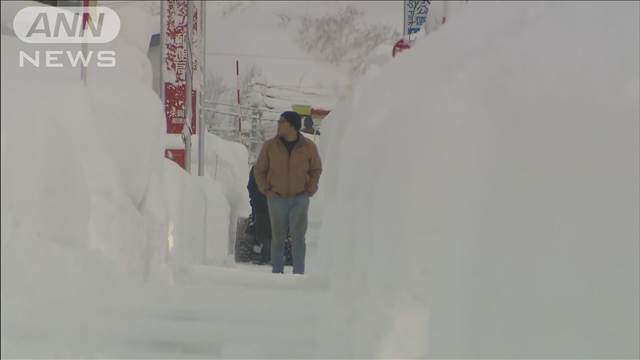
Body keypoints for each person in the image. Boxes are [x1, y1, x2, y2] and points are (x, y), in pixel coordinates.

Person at [254, 111, 322, 274]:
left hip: (300, 198)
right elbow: (259, 170)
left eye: (282, 122)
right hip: (276, 198)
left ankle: (298, 274)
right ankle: (277, 273)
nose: (278, 124)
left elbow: (316, 169)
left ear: (292, 126)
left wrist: (311, 189)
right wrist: (266, 189)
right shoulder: (270, 146)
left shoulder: (308, 147)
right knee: (278, 238)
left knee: (298, 238)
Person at [247, 165, 271, 265]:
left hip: (259, 205)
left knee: (258, 226)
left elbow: (250, 186)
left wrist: (254, 198)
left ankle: (259, 251)